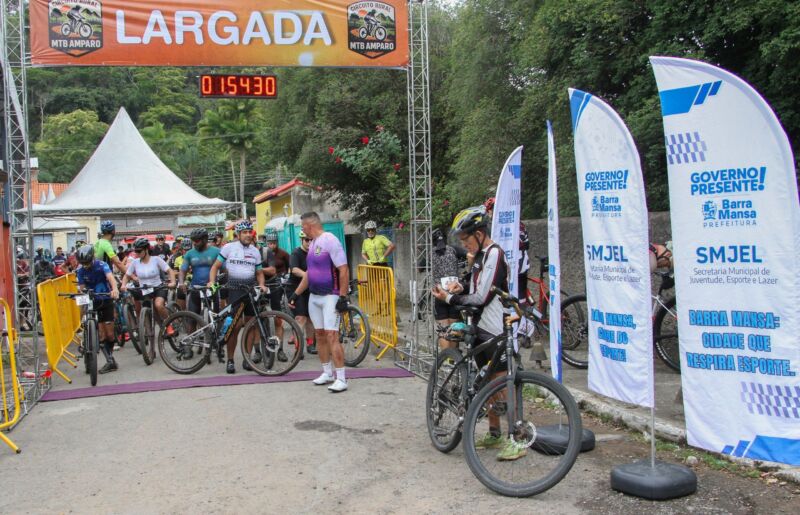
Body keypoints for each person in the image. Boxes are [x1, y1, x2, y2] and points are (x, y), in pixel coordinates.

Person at [431, 205, 526, 461]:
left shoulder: (494, 253)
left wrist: (450, 297)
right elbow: (474, 285)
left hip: (495, 327)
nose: (465, 245)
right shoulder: (480, 256)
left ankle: (516, 438)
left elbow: (482, 296)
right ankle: (494, 433)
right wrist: (459, 284)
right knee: (486, 381)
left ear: (480, 233)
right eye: (462, 240)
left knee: (500, 382)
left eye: (466, 239)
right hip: (479, 327)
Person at [289, 212, 350, 393]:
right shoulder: (313, 243)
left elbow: (344, 270)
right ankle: (327, 372)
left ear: (309, 225)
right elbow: (309, 274)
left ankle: (341, 378)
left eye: (302, 227)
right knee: (319, 335)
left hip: (330, 295)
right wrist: (295, 294)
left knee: (332, 335)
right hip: (314, 297)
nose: (301, 230)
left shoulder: (330, 240)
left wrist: (343, 297)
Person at [208, 220, 267, 374]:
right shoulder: (228, 248)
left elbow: (259, 272)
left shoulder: (255, 251)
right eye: (245, 232)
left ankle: (247, 358)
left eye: (250, 232)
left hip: (250, 291)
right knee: (234, 326)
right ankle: (230, 360)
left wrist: (262, 285)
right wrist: (212, 282)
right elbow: (215, 267)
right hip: (234, 291)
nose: (248, 235)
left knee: (251, 325)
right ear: (238, 234)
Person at [76, 244, 120, 374]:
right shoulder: (80, 270)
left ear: (93, 257)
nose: (86, 265)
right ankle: (110, 360)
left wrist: (115, 289)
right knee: (101, 335)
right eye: (83, 263)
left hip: (105, 299)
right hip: (92, 301)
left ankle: (110, 356)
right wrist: (82, 292)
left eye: (88, 262)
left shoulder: (102, 265)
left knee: (110, 335)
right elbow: (82, 287)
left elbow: (111, 278)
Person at [121, 238, 176, 334]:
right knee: (151, 312)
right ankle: (155, 333)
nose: (137, 253)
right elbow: (127, 275)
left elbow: (169, 271)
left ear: (146, 250)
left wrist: (173, 282)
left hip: (158, 287)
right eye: (135, 251)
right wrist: (123, 285)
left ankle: (169, 325)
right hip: (145, 290)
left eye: (139, 251)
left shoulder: (156, 259)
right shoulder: (135, 262)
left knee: (158, 305)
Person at [484, 197, 530, 299]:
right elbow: (527, 245)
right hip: (521, 266)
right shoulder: (519, 223)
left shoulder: (492, 229)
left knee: (505, 301)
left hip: (505, 269)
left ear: (491, 211)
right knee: (521, 299)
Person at [431, 228, 463, 350]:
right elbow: (470, 256)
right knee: (454, 327)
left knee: (443, 328)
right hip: (454, 292)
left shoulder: (430, 253)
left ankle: (446, 358)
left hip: (439, 293)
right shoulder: (454, 249)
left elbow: (420, 267)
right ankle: (454, 358)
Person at [286, 231, 316, 355]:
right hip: (295, 288)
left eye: (311, 240)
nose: (309, 242)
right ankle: (298, 348)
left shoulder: (315, 253)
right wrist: (308, 276)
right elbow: (294, 269)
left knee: (310, 318)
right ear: (301, 240)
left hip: (310, 289)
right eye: (306, 240)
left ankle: (310, 344)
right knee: (301, 317)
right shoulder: (296, 253)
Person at [261, 229, 289, 362]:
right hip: (262, 287)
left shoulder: (283, 253)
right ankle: (258, 351)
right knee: (259, 320)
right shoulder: (262, 253)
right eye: (269, 243)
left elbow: (290, 266)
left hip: (276, 285)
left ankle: (281, 350)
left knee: (278, 319)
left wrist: (285, 276)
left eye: (274, 243)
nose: (272, 245)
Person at [180, 228, 220, 316]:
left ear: (205, 239)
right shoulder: (189, 254)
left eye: (197, 241)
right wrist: (181, 282)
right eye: (193, 240)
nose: (194, 243)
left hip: (212, 289)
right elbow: (183, 270)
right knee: (191, 320)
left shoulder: (216, 251)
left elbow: (225, 270)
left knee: (216, 319)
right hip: (195, 289)